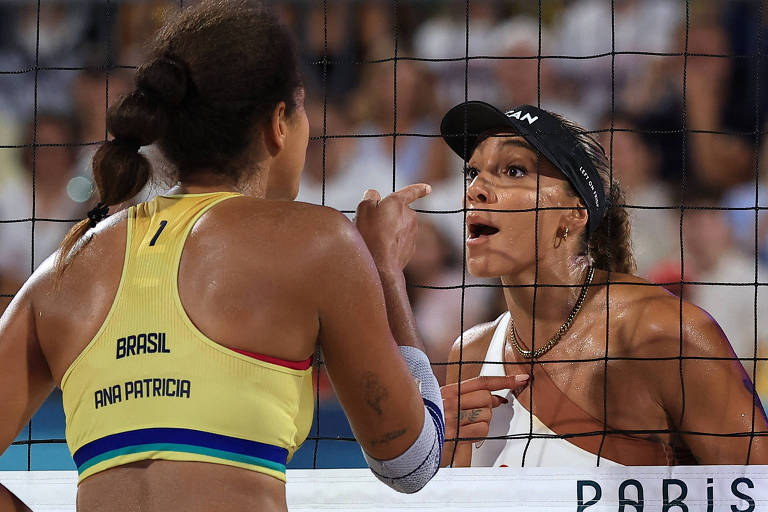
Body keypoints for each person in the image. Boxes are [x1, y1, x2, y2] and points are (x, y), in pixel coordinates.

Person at [0, 2, 471, 510]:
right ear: (278, 124)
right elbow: (412, 463)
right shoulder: (320, 241)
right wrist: (384, 272)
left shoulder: (64, 268)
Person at [438, 100, 768, 467]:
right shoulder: (469, 353)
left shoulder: (663, 334)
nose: (475, 189)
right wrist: (446, 457)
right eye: (472, 173)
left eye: (514, 170)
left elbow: (759, 491)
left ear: (575, 212)